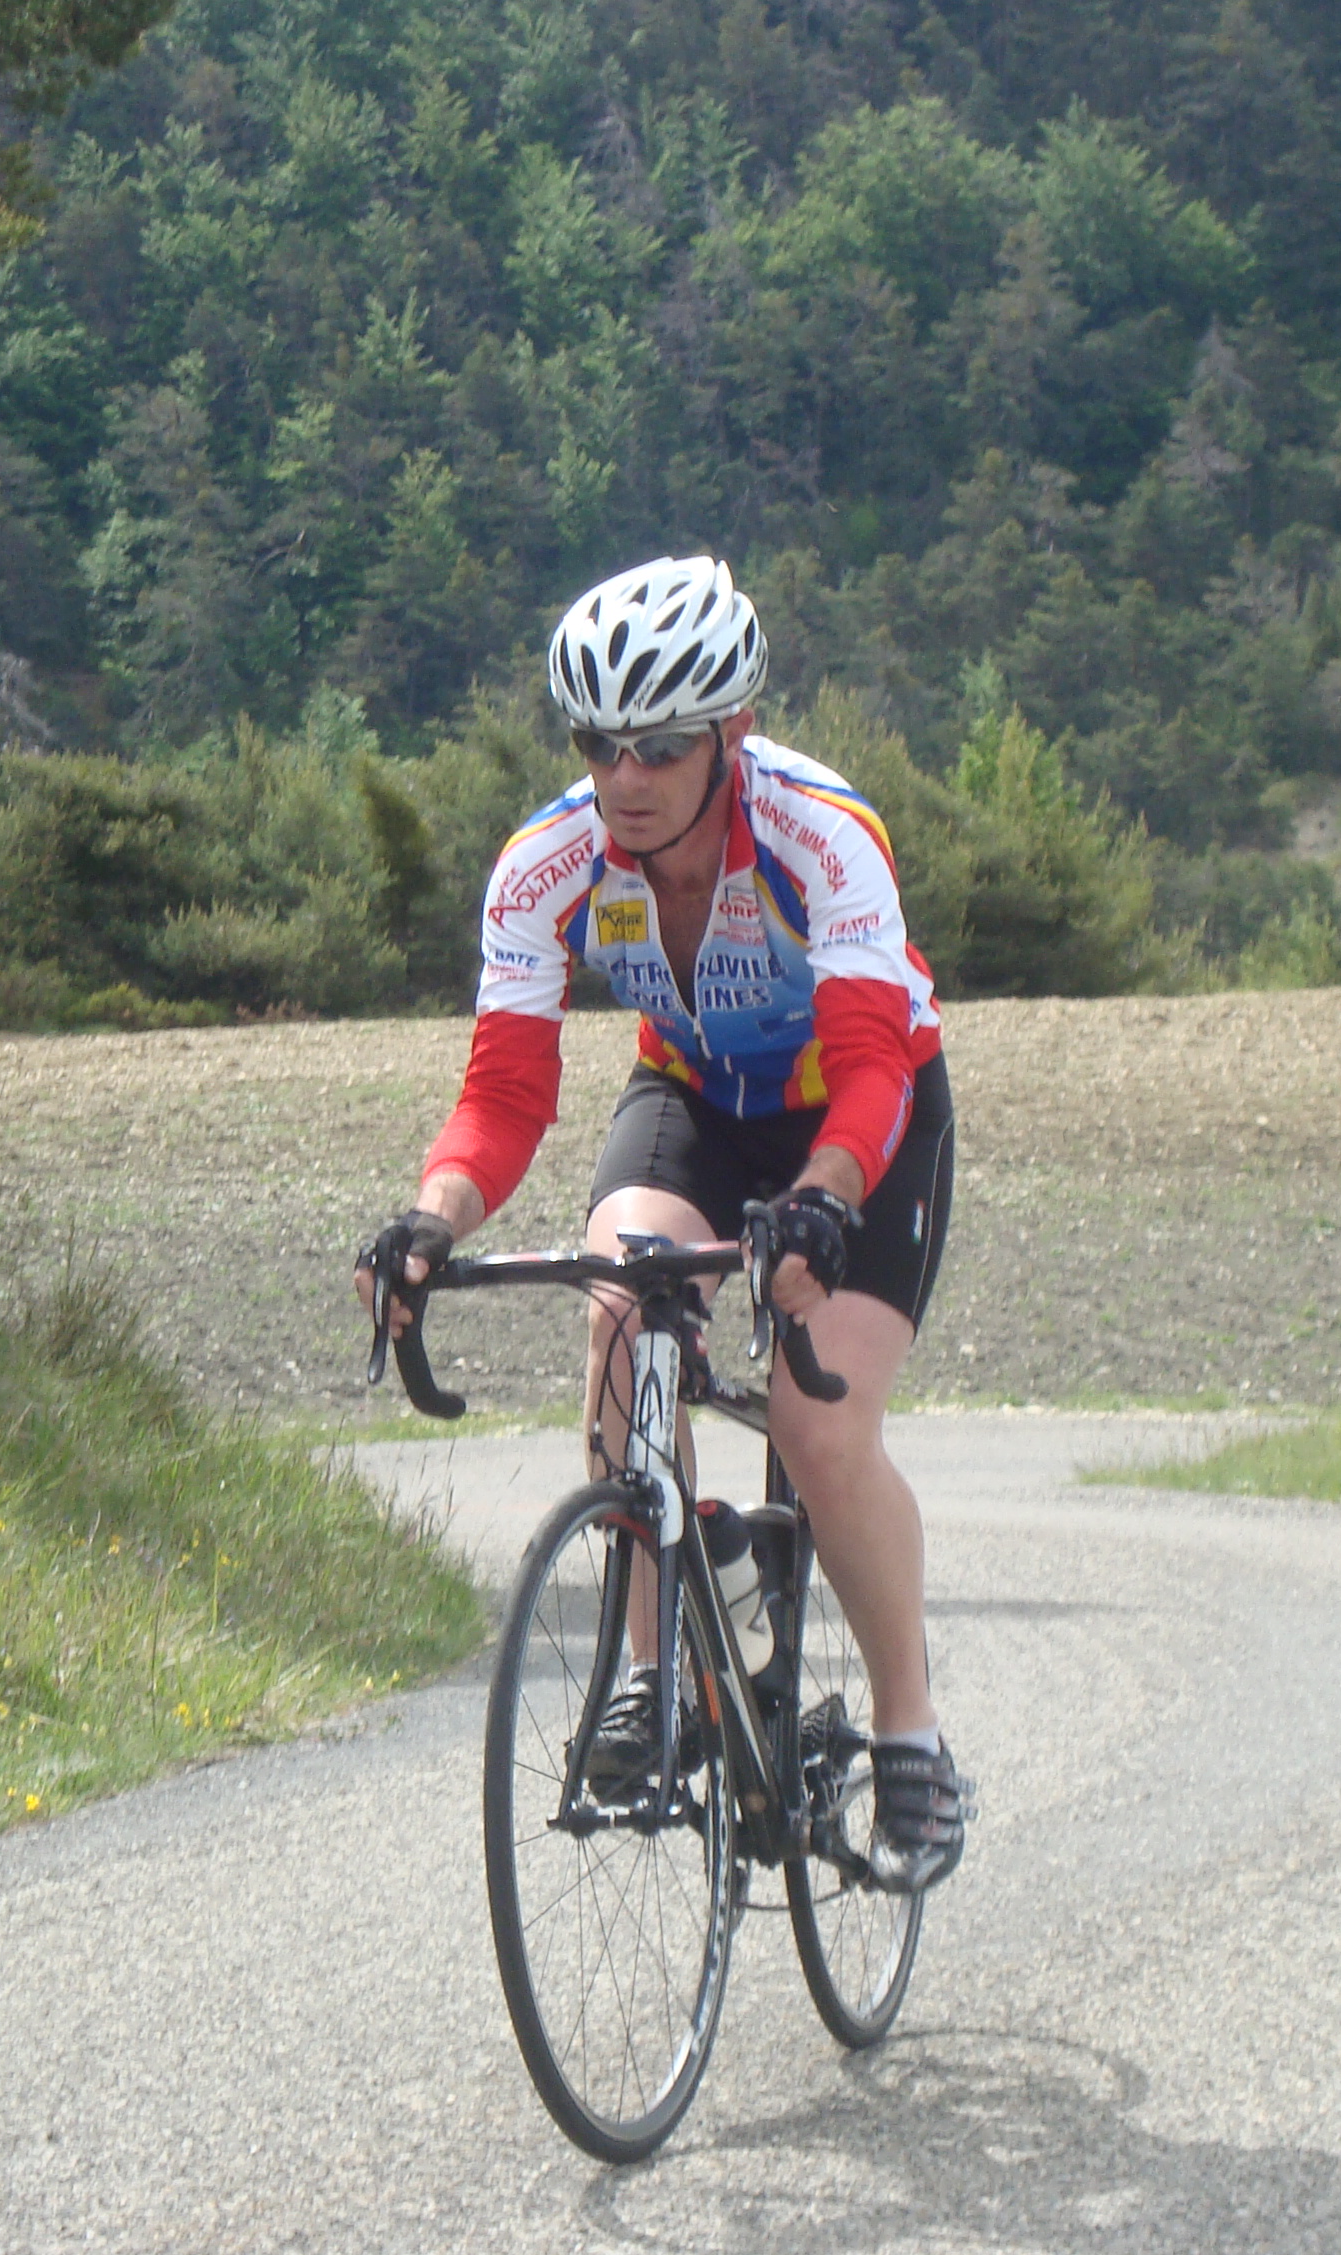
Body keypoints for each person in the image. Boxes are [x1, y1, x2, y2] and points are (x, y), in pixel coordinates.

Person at [356, 554, 972, 1891]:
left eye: (661, 746)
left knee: (817, 1425)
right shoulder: (548, 866)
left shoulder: (823, 835)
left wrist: (823, 1201)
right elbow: (503, 1095)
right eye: (598, 745)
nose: (624, 776)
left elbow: (875, 1063)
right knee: (622, 1311)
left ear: (732, 731)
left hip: (858, 1121)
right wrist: (429, 1217)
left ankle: (911, 1735)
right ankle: (654, 1675)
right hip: (692, 1098)